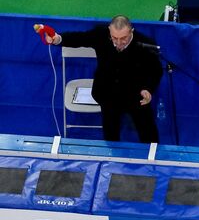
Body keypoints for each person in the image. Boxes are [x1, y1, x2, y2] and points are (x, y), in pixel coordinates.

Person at [46, 15, 163, 143]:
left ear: (131, 31)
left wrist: (148, 89)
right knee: (110, 135)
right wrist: (57, 39)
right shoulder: (101, 34)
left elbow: (156, 70)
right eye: (114, 38)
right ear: (109, 30)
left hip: (136, 95)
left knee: (148, 134)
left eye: (123, 38)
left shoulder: (146, 44)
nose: (118, 43)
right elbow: (80, 38)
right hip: (108, 94)